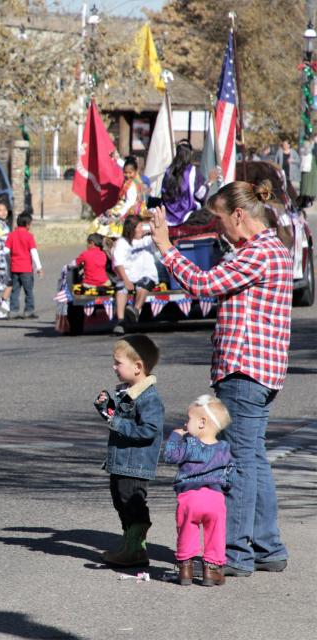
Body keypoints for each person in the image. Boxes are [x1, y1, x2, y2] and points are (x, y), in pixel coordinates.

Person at [151, 181, 291, 577]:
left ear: (239, 216)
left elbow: (202, 284)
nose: (218, 229)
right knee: (255, 459)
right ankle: (268, 547)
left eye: (219, 219)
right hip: (257, 371)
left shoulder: (258, 253)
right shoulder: (267, 249)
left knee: (241, 464)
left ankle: (233, 553)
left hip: (245, 371)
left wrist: (166, 248)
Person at [93, 334, 164, 567]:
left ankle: (136, 549)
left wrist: (115, 420)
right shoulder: (129, 392)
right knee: (120, 501)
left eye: (118, 363)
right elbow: (120, 420)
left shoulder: (148, 397)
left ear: (137, 367)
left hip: (136, 464)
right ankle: (130, 545)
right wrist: (108, 409)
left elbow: (149, 430)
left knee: (132, 503)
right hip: (122, 461)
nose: (114, 367)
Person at [163, 395, 233, 587]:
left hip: (190, 497)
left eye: (189, 419)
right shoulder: (225, 448)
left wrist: (176, 436)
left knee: (187, 530)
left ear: (202, 422)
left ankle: (186, 568)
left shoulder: (189, 444)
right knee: (215, 534)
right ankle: (211, 571)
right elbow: (231, 473)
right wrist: (226, 487)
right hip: (215, 498)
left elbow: (170, 456)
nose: (186, 424)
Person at [111, 214, 158, 334]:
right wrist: (126, 280)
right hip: (128, 276)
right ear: (132, 229)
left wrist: (153, 225)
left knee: (144, 284)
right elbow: (118, 264)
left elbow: (158, 235)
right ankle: (121, 321)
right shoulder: (121, 243)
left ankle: (135, 310)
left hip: (146, 275)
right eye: (139, 227)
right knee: (121, 288)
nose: (142, 229)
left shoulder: (147, 240)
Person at [160, 140, 218, 226]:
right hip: (186, 215)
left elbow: (163, 193)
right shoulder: (193, 171)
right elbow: (200, 195)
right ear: (191, 153)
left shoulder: (168, 171)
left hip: (167, 215)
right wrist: (210, 181)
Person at [92, 157, 144, 238]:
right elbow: (124, 166)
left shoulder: (131, 185)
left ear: (135, 172)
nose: (127, 175)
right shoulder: (137, 179)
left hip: (128, 210)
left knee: (101, 223)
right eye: (125, 173)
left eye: (130, 173)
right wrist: (116, 159)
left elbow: (129, 202)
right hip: (131, 208)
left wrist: (119, 214)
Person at [4, 212, 43, 319]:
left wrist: (9, 262)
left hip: (14, 268)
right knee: (29, 291)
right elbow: (34, 252)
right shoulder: (29, 236)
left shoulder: (11, 235)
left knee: (15, 290)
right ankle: (28, 311)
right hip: (26, 269)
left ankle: (13, 311)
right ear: (27, 225)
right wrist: (38, 267)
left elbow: (5, 251)